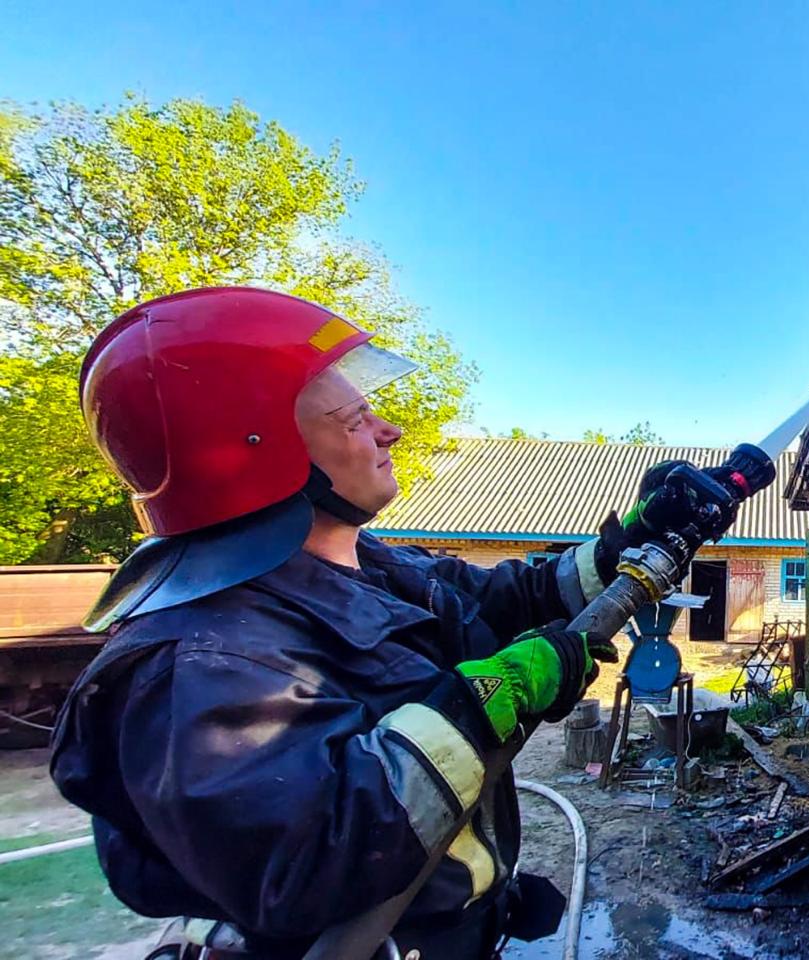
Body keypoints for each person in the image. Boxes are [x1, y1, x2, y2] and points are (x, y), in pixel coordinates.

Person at [49, 287, 717, 959]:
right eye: (353, 418)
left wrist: (634, 538)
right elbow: (309, 858)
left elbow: (513, 601)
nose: (387, 430)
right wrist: (484, 705)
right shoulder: (198, 659)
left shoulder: (373, 564)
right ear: (260, 453)